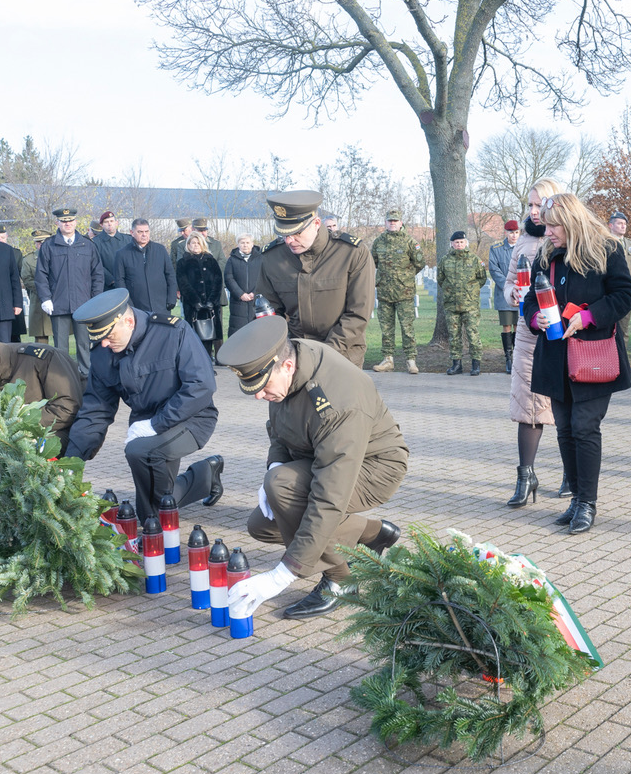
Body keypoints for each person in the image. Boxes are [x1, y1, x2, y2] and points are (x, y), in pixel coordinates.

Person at [217, 314, 405, 620]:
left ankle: (343, 581)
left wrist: (283, 574)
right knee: (262, 526)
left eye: (263, 388)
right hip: (322, 456)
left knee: (283, 488)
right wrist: (275, 463)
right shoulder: (285, 360)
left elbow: (329, 498)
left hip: (374, 467)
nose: (260, 397)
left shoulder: (336, 401)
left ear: (287, 367)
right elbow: (279, 427)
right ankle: (372, 534)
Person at [521, 193, 631, 535]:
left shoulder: (607, 249)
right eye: (546, 224)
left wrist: (588, 316)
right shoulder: (545, 255)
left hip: (593, 356)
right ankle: (575, 498)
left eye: (554, 225)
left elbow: (625, 295)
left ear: (572, 221)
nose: (549, 231)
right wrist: (534, 318)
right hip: (555, 357)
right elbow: (530, 299)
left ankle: (587, 502)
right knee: (566, 429)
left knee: (585, 427)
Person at [65, 289, 225, 523]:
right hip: (146, 423)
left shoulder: (172, 332)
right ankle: (206, 476)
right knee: (164, 495)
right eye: (99, 339)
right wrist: (72, 461)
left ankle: (153, 526)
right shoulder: (102, 353)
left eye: (109, 336)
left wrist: (157, 424)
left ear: (128, 321)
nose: (105, 344)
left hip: (192, 417)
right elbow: (96, 409)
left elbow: (201, 385)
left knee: (141, 453)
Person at [256, 190, 375, 368]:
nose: (289, 240)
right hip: (294, 358)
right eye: (284, 234)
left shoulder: (352, 253)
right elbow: (270, 314)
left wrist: (321, 355)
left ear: (316, 223)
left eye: (296, 233)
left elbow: (358, 314)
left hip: (343, 356)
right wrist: (286, 352)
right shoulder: (272, 257)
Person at [504, 179, 565, 508]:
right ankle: (525, 476)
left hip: (565, 331)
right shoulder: (525, 238)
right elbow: (511, 282)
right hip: (529, 334)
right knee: (528, 404)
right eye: (529, 205)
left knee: (564, 407)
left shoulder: (568, 236)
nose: (532, 211)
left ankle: (572, 474)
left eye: (537, 204)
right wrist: (512, 294)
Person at [36, 207, 105, 379]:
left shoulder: (87, 244)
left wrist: (95, 299)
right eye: (64, 221)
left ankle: (87, 378)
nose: (67, 224)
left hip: (83, 304)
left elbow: (97, 273)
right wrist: (46, 298)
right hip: (58, 303)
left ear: (75, 222)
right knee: (61, 347)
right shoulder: (49, 246)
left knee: (84, 344)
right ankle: (62, 378)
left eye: (70, 221)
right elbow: (41, 275)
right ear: (57, 223)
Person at [370, 209, 425, 374]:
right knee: (386, 329)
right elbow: (373, 262)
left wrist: (405, 276)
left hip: (404, 293)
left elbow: (420, 263)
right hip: (385, 293)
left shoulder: (409, 242)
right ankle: (388, 360)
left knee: (407, 328)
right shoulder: (379, 242)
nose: (392, 223)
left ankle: (411, 360)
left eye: (395, 221)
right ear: (385, 223)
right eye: (390, 221)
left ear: (401, 223)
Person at [437, 231, 487, 375]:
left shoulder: (475, 260)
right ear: (452, 244)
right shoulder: (445, 260)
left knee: (473, 335)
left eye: (461, 242)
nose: (459, 245)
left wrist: (471, 291)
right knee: (454, 336)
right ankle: (456, 364)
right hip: (451, 305)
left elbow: (481, 279)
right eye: (456, 242)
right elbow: (441, 279)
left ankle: (476, 364)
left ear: (466, 243)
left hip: (470, 305)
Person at [177, 233, 224, 364]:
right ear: (188, 245)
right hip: (192, 307)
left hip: (210, 306)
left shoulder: (211, 260)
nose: (195, 245)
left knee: (209, 336)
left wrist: (212, 301)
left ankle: (208, 363)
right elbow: (183, 283)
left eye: (198, 243)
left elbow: (218, 281)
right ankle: (197, 364)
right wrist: (195, 301)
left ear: (202, 244)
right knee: (194, 336)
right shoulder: (183, 262)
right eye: (193, 243)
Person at [115, 218, 178, 315]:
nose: (144, 234)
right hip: (137, 307)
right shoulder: (122, 254)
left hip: (162, 306)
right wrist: (129, 304)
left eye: (146, 231)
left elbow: (170, 275)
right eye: (140, 232)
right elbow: (120, 281)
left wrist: (171, 299)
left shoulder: (160, 250)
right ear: (132, 232)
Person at [487, 219, 522, 374]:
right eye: (510, 232)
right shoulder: (496, 249)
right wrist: (509, 286)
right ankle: (508, 358)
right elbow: (494, 270)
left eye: (516, 232)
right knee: (507, 325)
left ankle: (518, 357)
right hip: (505, 293)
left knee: (519, 326)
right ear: (505, 232)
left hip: (522, 293)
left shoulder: (524, 247)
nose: (513, 236)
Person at [607, 212, 631, 340]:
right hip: (609, 291)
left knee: (623, 329)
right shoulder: (604, 242)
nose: (623, 226)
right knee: (608, 328)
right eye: (620, 223)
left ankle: (623, 358)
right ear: (611, 225)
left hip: (626, 292)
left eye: (625, 224)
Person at [0, 224, 27, 343]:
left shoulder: (15, 253)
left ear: (7, 237)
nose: (0, 240)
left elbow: (21, 275)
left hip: (11, 296)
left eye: (2, 237)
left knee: (15, 335)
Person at [224, 234, 263, 336]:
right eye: (242, 243)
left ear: (252, 244)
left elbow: (264, 277)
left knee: (257, 333)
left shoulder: (261, 258)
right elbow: (228, 278)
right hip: (238, 302)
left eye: (247, 242)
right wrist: (240, 294)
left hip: (256, 300)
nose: (245, 245)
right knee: (238, 333)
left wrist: (255, 293)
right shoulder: (232, 260)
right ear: (238, 245)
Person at [22, 229, 52, 344]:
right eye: (38, 242)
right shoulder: (28, 259)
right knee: (41, 339)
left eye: (43, 242)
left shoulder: (59, 255)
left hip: (58, 300)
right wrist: (44, 290)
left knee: (61, 338)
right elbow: (27, 279)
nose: (40, 245)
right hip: (39, 301)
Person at [92, 210, 132, 291]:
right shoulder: (95, 242)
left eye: (111, 221)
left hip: (128, 284)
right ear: (101, 225)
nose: (109, 224)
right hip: (107, 287)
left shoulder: (128, 239)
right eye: (106, 222)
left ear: (116, 223)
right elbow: (96, 264)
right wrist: (112, 280)